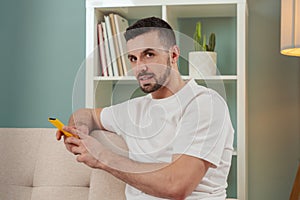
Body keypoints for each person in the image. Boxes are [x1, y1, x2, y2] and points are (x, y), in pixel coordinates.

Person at [57, 17, 234, 200]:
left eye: (149, 54)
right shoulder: (134, 109)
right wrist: (80, 132)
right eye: (133, 59)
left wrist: (103, 157)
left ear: (173, 55)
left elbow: (177, 186)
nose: (140, 67)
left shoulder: (205, 103)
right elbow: (85, 114)